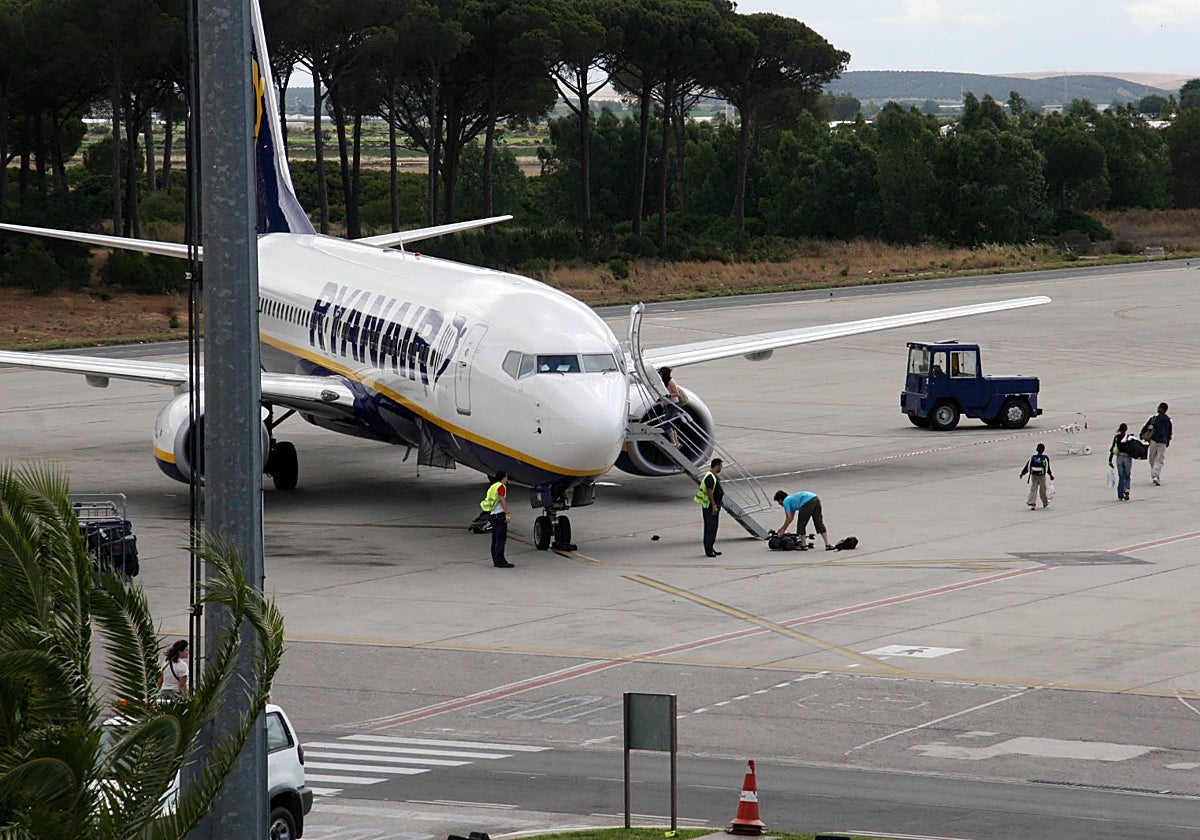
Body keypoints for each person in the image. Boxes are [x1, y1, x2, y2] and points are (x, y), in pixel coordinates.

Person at [480, 471, 513, 567]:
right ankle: (501, 561)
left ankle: (495, 560)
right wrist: (507, 512)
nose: (507, 479)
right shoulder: (501, 487)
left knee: (495, 538)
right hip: (499, 515)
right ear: (504, 477)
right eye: (506, 477)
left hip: (493, 514)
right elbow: (502, 499)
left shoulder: (493, 487)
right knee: (501, 538)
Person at [694, 458, 723, 557]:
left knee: (714, 528)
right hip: (710, 507)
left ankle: (711, 547)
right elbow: (709, 492)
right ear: (717, 465)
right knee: (710, 528)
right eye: (721, 466)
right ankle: (708, 550)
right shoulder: (710, 477)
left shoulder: (713, 476)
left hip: (713, 506)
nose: (721, 468)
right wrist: (714, 505)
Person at [1142, 402, 1172, 486]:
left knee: (1152, 458)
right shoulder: (1168, 420)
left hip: (1154, 441)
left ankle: (1155, 475)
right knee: (1159, 459)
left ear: (1161, 409)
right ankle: (1156, 475)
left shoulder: (1154, 418)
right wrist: (1168, 440)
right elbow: (1169, 432)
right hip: (1163, 442)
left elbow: (1146, 426)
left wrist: (1142, 434)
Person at [1019, 442, 1055, 510]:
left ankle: (1032, 503)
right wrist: (1050, 475)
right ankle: (1045, 503)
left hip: (1034, 475)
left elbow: (1027, 466)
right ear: (1043, 450)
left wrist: (1022, 473)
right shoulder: (1045, 458)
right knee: (1043, 490)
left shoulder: (1033, 457)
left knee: (1033, 489)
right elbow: (1047, 468)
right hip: (1042, 476)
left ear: (1036, 449)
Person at [1109, 423, 1134, 501]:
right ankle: (1126, 490)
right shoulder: (1128, 438)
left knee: (1121, 477)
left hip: (1119, 457)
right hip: (1127, 457)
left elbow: (1113, 449)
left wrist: (1110, 460)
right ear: (1126, 429)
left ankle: (1120, 495)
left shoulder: (1116, 438)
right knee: (1127, 475)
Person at [658, 366, 682, 447]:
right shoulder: (664, 381)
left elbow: (677, 393)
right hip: (668, 405)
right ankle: (677, 443)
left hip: (673, 405)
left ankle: (674, 442)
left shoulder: (671, 382)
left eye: (660, 373)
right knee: (670, 424)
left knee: (666, 424)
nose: (659, 374)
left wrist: (668, 396)